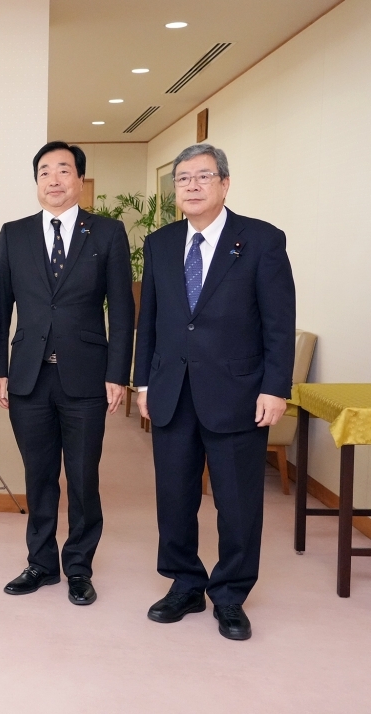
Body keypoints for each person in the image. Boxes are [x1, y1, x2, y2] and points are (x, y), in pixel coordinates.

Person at [135, 143, 295, 640]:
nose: (192, 186)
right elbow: (152, 321)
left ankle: (230, 593)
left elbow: (278, 323)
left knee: (238, 501)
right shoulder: (160, 244)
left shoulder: (262, 240)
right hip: (171, 390)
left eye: (203, 177)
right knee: (175, 497)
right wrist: (143, 380)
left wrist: (275, 386)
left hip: (239, 392)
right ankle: (184, 583)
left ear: (225, 183)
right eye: (183, 179)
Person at [0, 141, 134, 606]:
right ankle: (40, 563)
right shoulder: (14, 234)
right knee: (38, 475)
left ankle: (78, 566)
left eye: (63, 171)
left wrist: (118, 373)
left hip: (87, 377)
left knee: (83, 476)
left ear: (79, 180)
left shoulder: (108, 234)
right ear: (36, 182)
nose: (54, 180)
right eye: (45, 172)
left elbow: (123, 310)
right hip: (28, 376)